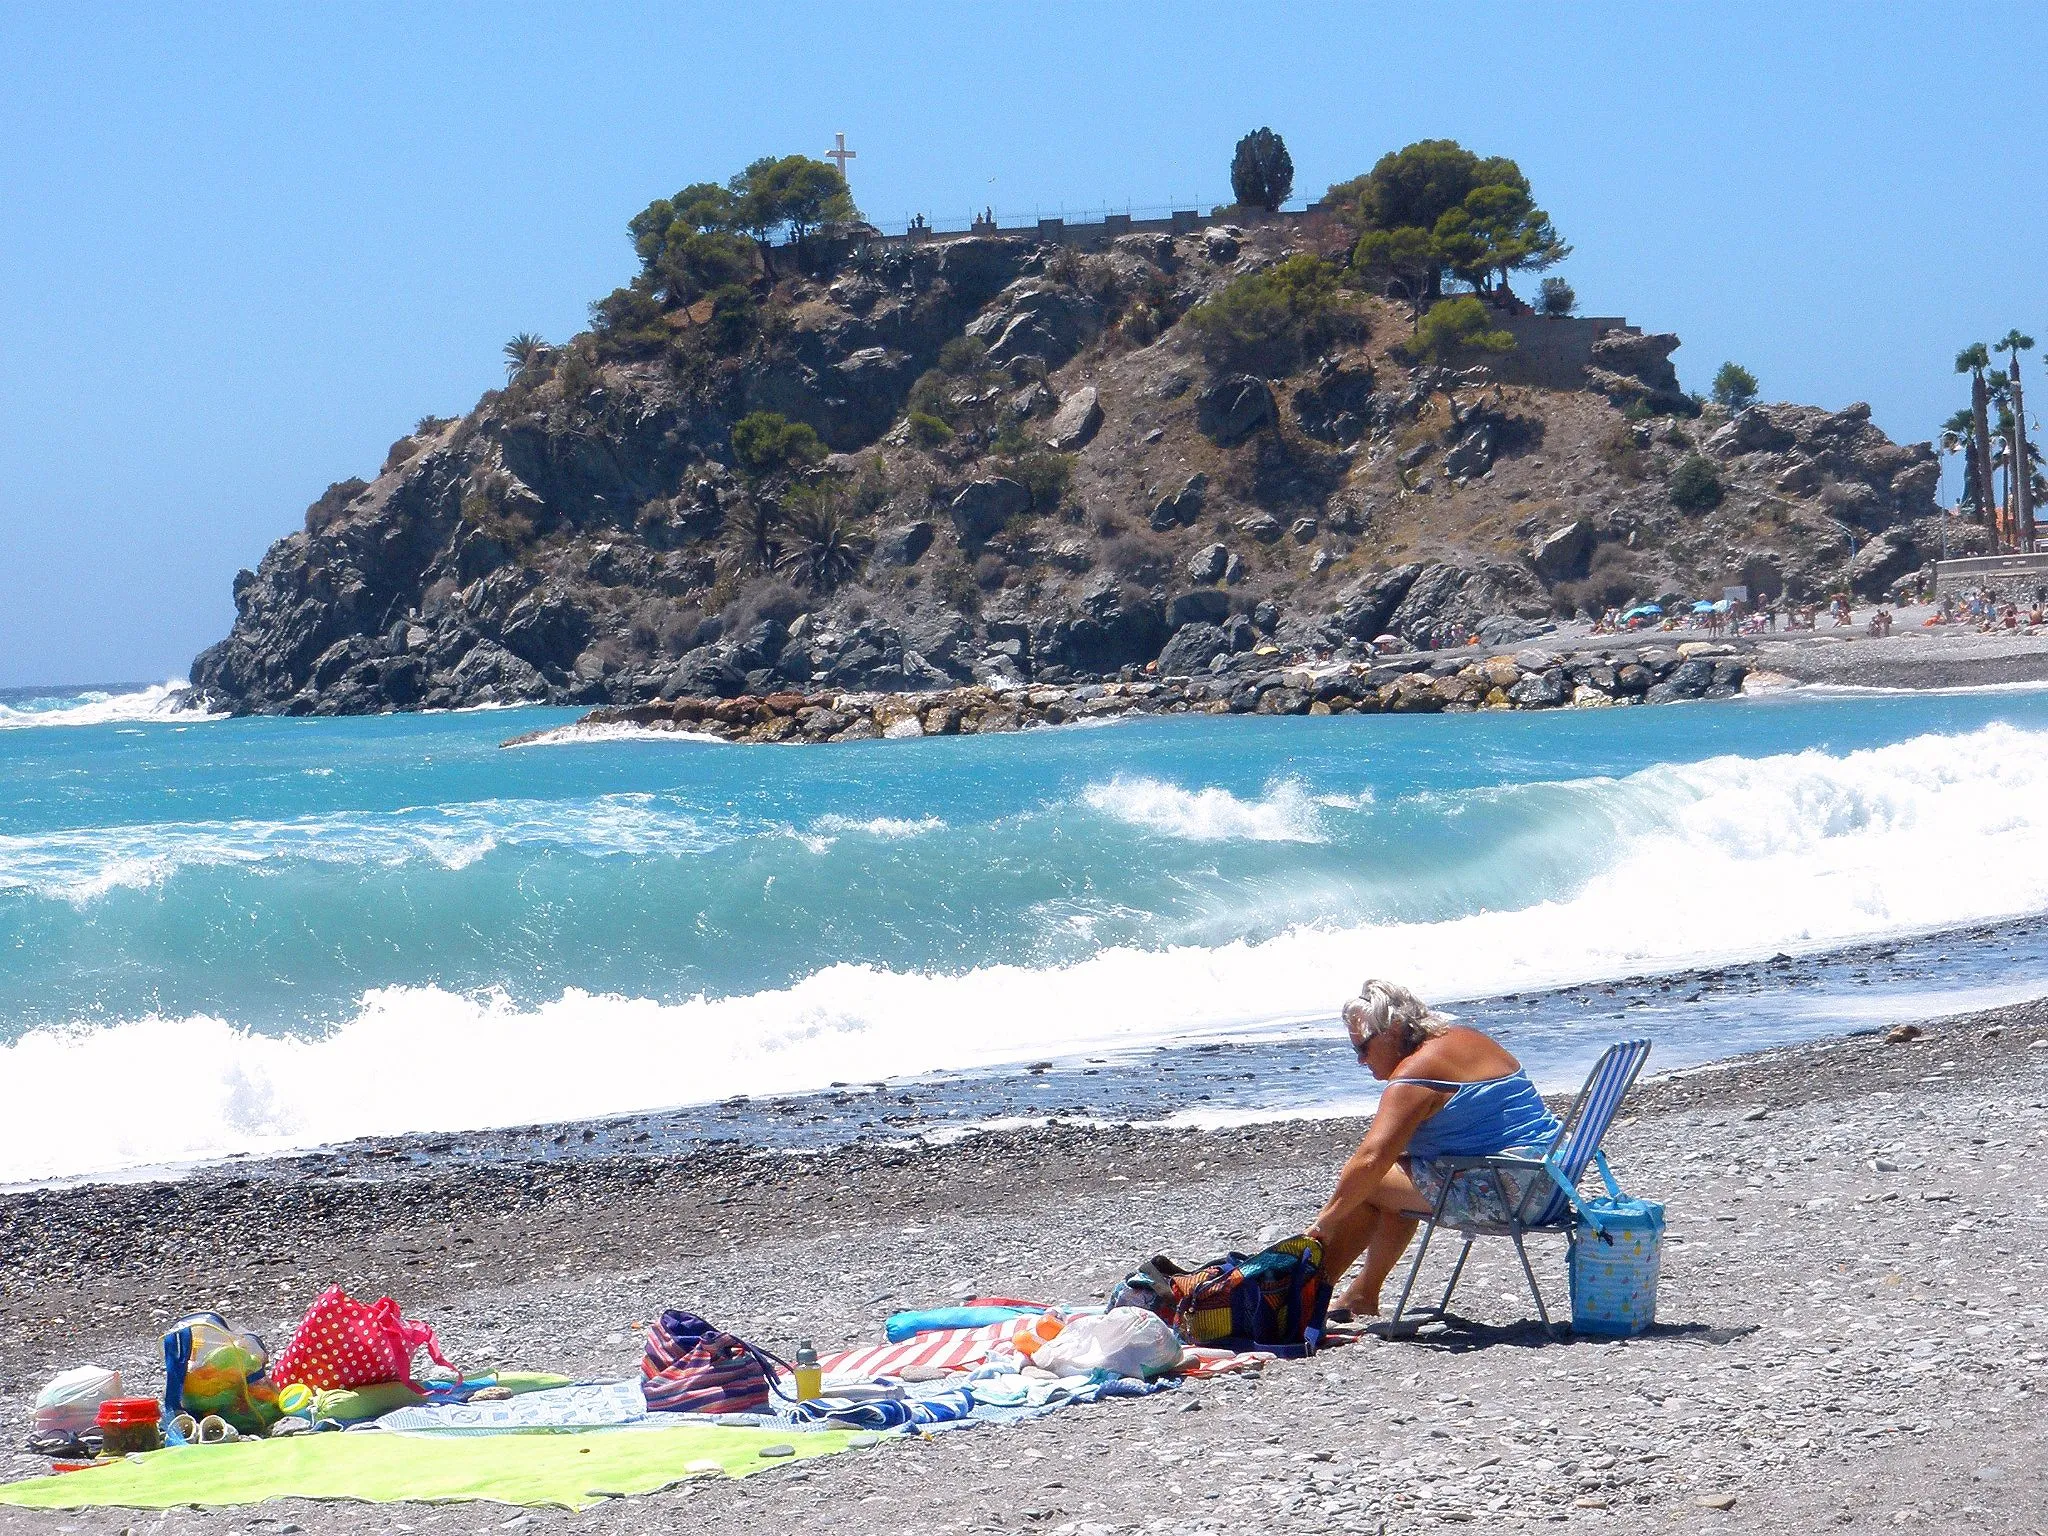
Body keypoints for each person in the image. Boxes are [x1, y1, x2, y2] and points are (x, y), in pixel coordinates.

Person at [1306, 981, 1561, 1321]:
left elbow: (1370, 1160)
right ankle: (1360, 1296)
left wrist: (1324, 1221)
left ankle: (1307, 1299)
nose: (1360, 1061)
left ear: (1393, 1031)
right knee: (1395, 1176)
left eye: (1363, 1049)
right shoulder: (1464, 1038)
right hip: (1556, 1178)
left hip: (1513, 1194)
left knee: (1370, 1186)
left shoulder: (1415, 1076)